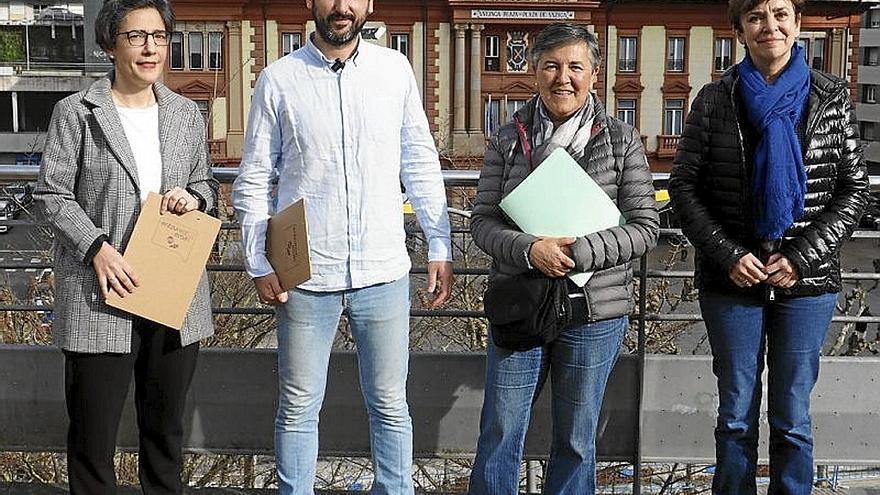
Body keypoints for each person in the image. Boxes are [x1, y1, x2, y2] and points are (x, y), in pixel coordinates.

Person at [230, 0, 454, 493]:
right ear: (311, 3)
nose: (342, 7)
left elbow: (419, 160)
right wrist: (255, 259)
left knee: (391, 404)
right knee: (297, 406)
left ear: (369, 4)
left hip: (384, 270)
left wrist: (440, 244)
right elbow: (253, 178)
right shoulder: (279, 79)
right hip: (305, 275)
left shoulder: (395, 71)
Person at [669, 0, 868, 492]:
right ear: (739, 29)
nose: (769, 26)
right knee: (735, 414)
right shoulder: (714, 99)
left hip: (807, 283)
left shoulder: (829, 96)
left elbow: (854, 188)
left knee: (792, 418)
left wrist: (800, 259)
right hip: (731, 280)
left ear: (797, 24)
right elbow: (684, 188)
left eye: (780, 14)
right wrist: (729, 255)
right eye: (755, 16)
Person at [33, 0, 217, 493]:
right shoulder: (77, 113)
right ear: (110, 43)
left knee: (165, 436)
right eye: (136, 36)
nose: (150, 47)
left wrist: (192, 196)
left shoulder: (185, 114)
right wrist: (96, 247)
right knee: (93, 441)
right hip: (100, 294)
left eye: (159, 36)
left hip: (172, 293)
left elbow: (208, 184)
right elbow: (51, 192)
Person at [467, 23, 659, 495]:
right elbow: (482, 223)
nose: (563, 77)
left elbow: (646, 228)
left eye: (575, 66)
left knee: (576, 438)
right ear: (535, 72)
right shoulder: (507, 138)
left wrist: (580, 252)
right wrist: (530, 250)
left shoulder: (621, 139)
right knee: (500, 430)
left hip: (594, 310)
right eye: (551, 66)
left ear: (594, 73)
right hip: (521, 303)